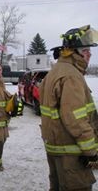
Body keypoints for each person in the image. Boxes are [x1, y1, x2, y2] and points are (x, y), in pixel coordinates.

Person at [39, 25, 98, 191]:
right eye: (86, 50)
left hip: (55, 147)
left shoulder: (55, 71)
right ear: (74, 52)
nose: (90, 54)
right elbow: (75, 118)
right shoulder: (72, 76)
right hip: (71, 152)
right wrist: (91, 151)